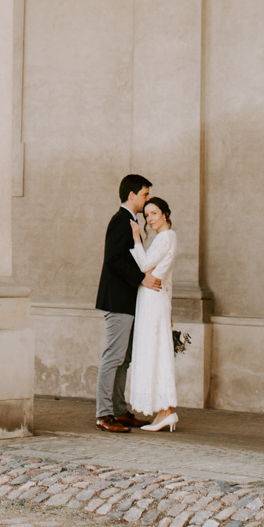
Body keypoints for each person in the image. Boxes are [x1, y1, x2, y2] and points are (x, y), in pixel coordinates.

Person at [93, 173, 157, 432]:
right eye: (145, 194)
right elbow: (113, 260)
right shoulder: (120, 221)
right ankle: (104, 414)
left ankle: (119, 411)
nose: (147, 199)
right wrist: (143, 279)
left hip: (128, 301)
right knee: (114, 357)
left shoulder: (131, 221)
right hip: (117, 300)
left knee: (124, 359)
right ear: (131, 195)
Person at [126, 196, 179, 431]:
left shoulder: (165, 237)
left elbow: (145, 265)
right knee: (157, 351)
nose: (149, 219)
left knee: (154, 351)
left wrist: (136, 239)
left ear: (165, 213)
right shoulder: (167, 237)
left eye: (154, 213)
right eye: (147, 215)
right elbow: (167, 280)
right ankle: (164, 411)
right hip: (155, 299)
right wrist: (169, 309)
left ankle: (166, 410)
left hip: (152, 300)